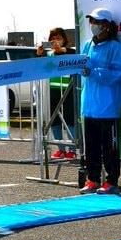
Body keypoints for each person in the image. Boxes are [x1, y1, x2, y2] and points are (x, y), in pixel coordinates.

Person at [78, 8, 121, 195]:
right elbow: (80, 66)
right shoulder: (86, 44)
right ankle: (92, 179)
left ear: (106, 25)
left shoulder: (115, 47)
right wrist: (81, 70)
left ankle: (111, 181)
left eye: (97, 22)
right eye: (91, 21)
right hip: (89, 105)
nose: (93, 25)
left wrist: (95, 71)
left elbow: (118, 73)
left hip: (108, 106)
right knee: (90, 146)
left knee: (109, 147)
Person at [38, 27, 78, 160]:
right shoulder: (49, 54)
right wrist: (39, 54)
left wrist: (62, 50)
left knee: (70, 119)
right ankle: (61, 149)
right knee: (54, 120)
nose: (55, 41)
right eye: (53, 39)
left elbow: (74, 52)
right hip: (53, 90)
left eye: (58, 38)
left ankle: (72, 150)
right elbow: (38, 65)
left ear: (64, 40)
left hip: (68, 89)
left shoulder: (70, 52)